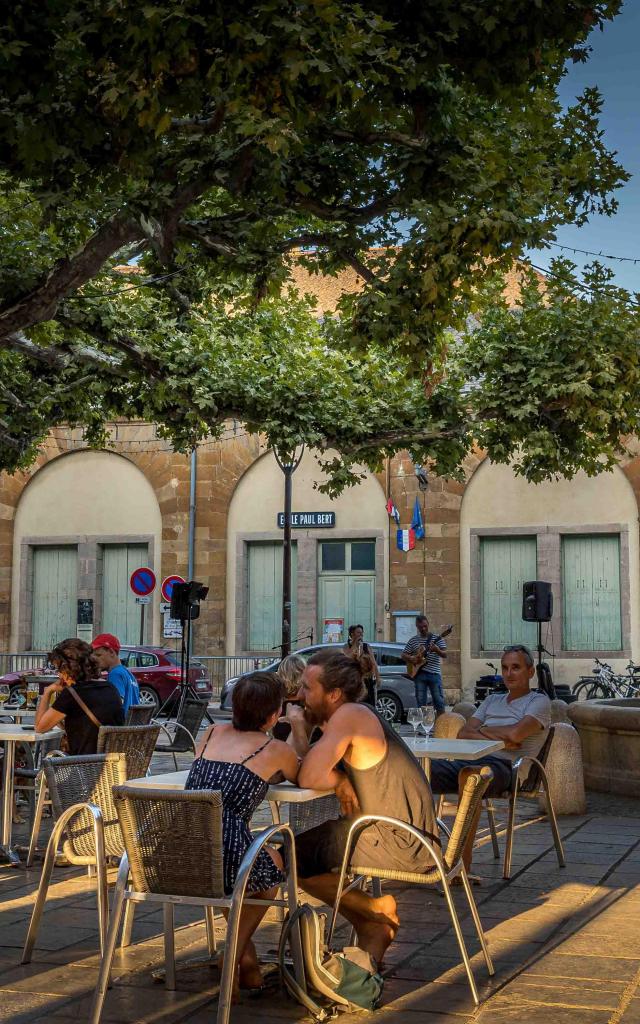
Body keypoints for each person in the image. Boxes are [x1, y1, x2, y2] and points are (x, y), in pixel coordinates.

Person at [287, 651, 438, 968]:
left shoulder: (350, 715)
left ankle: (376, 910)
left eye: (306, 688)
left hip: (399, 841)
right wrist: (303, 730)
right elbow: (311, 764)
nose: (299, 696)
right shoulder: (353, 714)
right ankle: (370, 928)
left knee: (282, 856)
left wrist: (338, 777)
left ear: (333, 694)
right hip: (403, 835)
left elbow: (308, 775)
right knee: (297, 852)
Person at [185, 671, 299, 997]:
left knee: (242, 871)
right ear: (275, 713)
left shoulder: (210, 733)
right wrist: (299, 729)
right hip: (225, 848)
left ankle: (246, 960)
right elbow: (299, 774)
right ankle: (233, 955)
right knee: (270, 872)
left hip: (183, 844)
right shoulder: (274, 748)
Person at [429, 644, 552, 871]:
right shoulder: (491, 700)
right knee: (420, 771)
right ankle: (419, 852)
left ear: (530, 672)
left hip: (508, 768)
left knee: (471, 777)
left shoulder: (538, 702)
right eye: (505, 668)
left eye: (516, 667)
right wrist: (502, 736)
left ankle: (459, 866)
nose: (508, 673)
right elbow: (463, 733)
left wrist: (486, 731)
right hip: (470, 759)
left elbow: (516, 735)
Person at [35, 638, 124, 754]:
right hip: (111, 765)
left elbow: (39, 727)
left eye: (59, 670)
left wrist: (48, 692)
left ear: (68, 668)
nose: (59, 675)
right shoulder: (110, 688)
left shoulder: (72, 693)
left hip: (82, 766)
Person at [402, 614, 447, 716]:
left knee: (438, 700)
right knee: (420, 701)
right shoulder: (413, 640)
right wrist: (412, 658)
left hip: (434, 674)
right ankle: (423, 727)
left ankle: (441, 724)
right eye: (420, 627)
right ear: (416, 626)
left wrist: (437, 650)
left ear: (428, 624)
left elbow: (445, 654)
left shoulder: (437, 638)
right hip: (419, 674)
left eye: (425, 626)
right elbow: (403, 655)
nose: (423, 628)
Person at [91, 633, 140, 715]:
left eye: (98, 655)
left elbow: (116, 704)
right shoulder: (128, 674)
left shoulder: (115, 674)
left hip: (119, 726)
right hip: (131, 725)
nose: (95, 659)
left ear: (111, 652)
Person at [342, 624, 380, 707]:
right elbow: (347, 659)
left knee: (368, 705)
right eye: (358, 633)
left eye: (362, 633)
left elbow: (373, 663)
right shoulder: (346, 646)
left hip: (366, 680)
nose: (361, 635)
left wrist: (377, 677)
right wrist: (355, 644)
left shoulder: (366, 646)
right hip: (353, 680)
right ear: (352, 634)